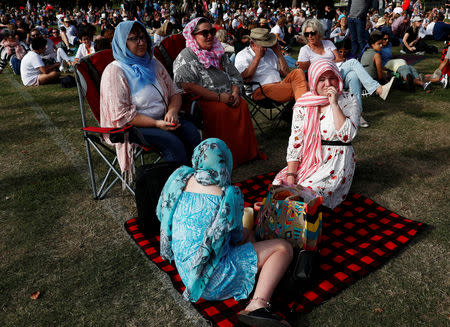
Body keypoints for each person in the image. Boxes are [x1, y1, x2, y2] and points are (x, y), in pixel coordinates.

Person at [157, 138, 293, 327]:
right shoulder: (228, 194)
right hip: (212, 281)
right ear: (225, 162)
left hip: (188, 276)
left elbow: (162, 213)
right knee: (283, 248)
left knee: (247, 238)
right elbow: (236, 236)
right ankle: (257, 304)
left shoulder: (180, 179)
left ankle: (256, 271)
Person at [100, 21, 201, 179]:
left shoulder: (153, 63)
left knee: (191, 133)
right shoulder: (115, 71)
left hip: (164, 118)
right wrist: (156, 124)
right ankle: (178, 187)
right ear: (122, 43)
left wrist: (173, 111)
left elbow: (174, 92)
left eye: (143, 37)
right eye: (134, 39)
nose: (141, 42)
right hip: (133, 127)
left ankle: (200, 177)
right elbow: (123, 116)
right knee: (172, 142)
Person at [173, 17, 265, 168]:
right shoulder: (187, 56)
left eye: (212, 31)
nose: (209, 36)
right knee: (221, 109)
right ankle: (222, 158)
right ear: (193, 36)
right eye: (204, 33)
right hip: (202, 99)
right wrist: (218, 97)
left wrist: (235, 93)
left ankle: (243, 154)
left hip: (228, 96)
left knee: (241, 104)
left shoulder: (219, 53)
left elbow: (235, 75)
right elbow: (186, 85)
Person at [273, 60, 359, 209]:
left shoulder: (349, 100)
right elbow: (296, 142)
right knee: (280, 186)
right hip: (309, 158)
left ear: (338, 78)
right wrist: (291, 176)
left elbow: (347, 136)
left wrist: (334, 104)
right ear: (313, 81)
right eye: (321, 79)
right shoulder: (304, 105)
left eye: (331, 78)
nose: (328, 84)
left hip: (337, 159)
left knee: (307, 192)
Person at [297, 19, 394, 128]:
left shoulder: (328, 43)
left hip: (336, 73)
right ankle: (377, 89)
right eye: (307, 34)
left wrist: (324, 63)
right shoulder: (305, 50)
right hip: (322, 81)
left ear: (318, 32)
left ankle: (356, 114)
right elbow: (303, 68)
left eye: (312, 33)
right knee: (353, 62)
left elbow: (339, 58)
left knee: (353, 76)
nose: (310, 36)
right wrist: (326, 63)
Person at [234, 28, 308, 103]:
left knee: (298, 72)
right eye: (263, 46)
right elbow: (245, 78)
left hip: (279, 86)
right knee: (301, 87)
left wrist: (278, 53)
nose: (265, 49)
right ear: (252, 43)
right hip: (261, 90)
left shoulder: (270, 52)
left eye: (267, 46)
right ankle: (304, 106)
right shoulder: (242, 55)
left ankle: (299, 108)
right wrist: (257, 57)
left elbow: (285, 73)